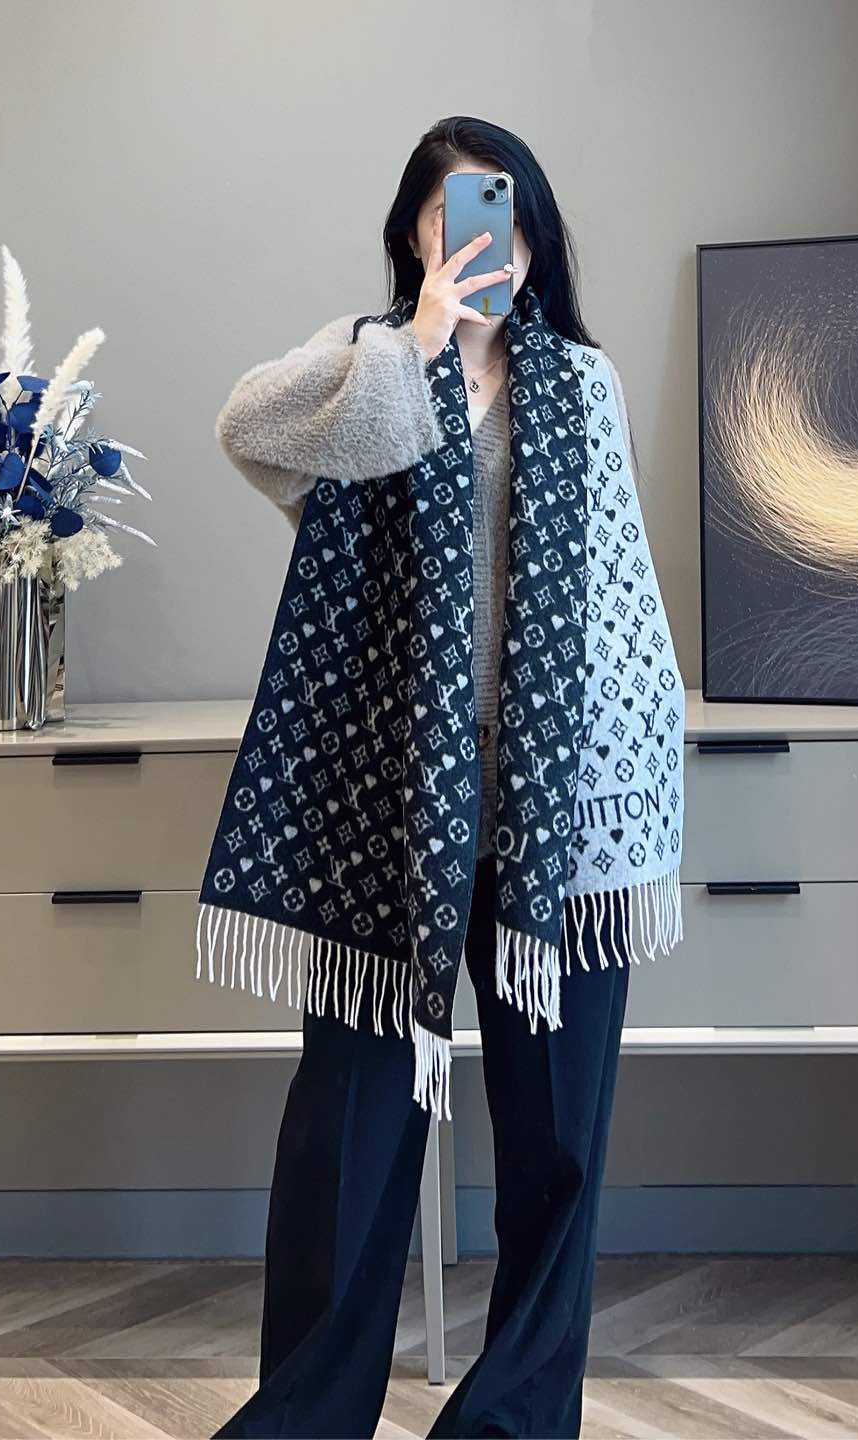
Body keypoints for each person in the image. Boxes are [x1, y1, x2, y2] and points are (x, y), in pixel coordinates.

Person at [209, 116, 655, 1440]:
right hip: (389, 814)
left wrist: (631, 805)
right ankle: (305, 1419)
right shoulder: (365, 372)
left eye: (502, 213)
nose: (479, 237)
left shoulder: (585, 386)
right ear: (414, 232)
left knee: (557, 1147)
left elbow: (621, 601)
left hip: (556, 818)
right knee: (347, 1145)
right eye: (449, 211)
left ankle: (511, 1421)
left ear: (537, 236)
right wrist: (415, 342)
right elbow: (245, 427)